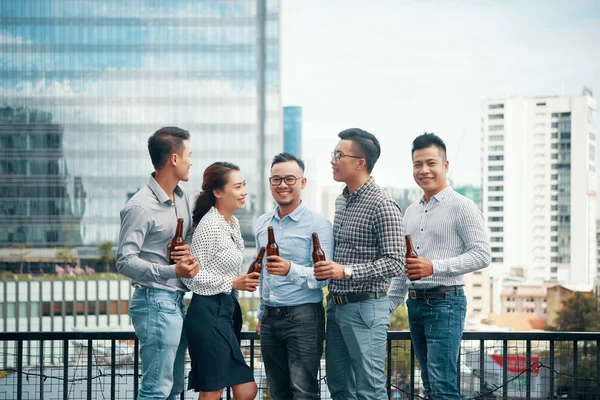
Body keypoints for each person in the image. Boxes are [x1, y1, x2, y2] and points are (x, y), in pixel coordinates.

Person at [388, 133, 491, 400]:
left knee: (442, 384)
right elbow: (404, 266)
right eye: (417, 164)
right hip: (415, 305)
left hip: (446, 302)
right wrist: (387, 309)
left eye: (431, 163)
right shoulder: (409, 211)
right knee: (429, 383)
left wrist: (433, 267)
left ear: (445, 166)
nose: (424, 170)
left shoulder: (462, 206)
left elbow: (482, 255)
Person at [314, 128, 405, 400]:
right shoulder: (342, 200)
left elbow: (395, 262)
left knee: (369, 389)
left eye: (338, 155)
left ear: (360, 163)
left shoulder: (383, 204)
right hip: (337, 306)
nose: (332, 160)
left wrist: (345, 271)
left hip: (366, 308)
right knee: (339, 385)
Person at [116, 126, 199, 400]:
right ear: (174, 159)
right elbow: (124, 260)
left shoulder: (182, 197)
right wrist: (171, 270)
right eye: (188, 155)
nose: (191, 161)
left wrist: (184, 252)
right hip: (153, 301)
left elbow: (186, 238)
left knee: (174, 388)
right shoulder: (139, 206)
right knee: (156, 389)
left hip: (175, 301)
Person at [255, 152, 333, 400]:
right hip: (269, 319)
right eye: (276, 179)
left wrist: (290, 269)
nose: (282, 185)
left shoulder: (318, 224)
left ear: (303, 182)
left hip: (303, 317)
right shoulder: (262, 223)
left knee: (303, 392)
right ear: (270, 183)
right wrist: (260, 313)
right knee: (277, 392)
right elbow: (263, 276)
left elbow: (325, 277)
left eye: (290, 179)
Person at [181, 161, 259, 400]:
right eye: (237, 186)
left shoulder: (232, 222)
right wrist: (233, 283)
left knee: (246, 389)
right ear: (218, 192)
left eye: (244, 185)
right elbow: (192, 278)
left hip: (226, 312)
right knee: (212, 390)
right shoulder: (209, 225)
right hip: (206, 313)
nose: (244, 191)